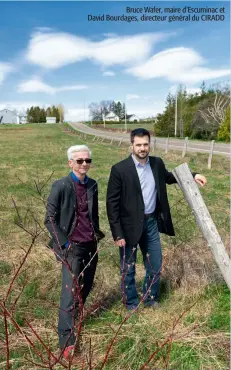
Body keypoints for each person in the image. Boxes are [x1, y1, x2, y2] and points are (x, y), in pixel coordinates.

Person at [106, 128, 207, 311]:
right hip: (128, 226)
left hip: (151, 222)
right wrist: (117, 233)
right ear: (132, 146)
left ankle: (150, 298)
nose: (142, 148)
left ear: (149, 144)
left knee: (155, 263)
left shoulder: (156, 164)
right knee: (128, 267)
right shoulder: (119, 169)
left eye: (145, 144)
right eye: (138, 145)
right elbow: (111, 205)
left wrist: (193, 175)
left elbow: (170, 177)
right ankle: (131, 303)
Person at [44, 145, 104, 364]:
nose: (84, 164)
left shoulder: (93, 185)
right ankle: (67, 343)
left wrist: (96, 237)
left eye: (88, 160)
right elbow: (49, 218)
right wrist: (66, 244)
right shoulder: (60, 186)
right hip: (72, 248)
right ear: (70, 163)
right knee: (69, 294)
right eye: (79, 161)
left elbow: (92, 215)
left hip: (91, 245)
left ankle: (75, 317)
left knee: (85, 287)